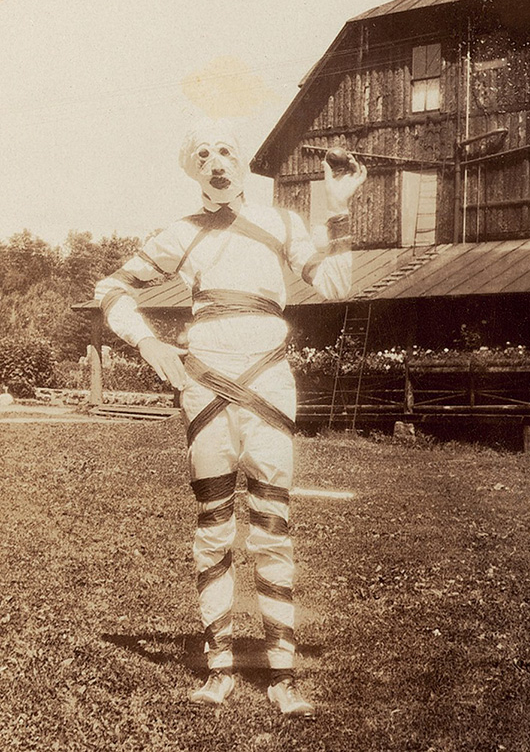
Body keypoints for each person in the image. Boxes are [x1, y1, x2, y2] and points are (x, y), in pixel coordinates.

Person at [95, 121, 366, 716]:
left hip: (268, 379)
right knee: (214, 524)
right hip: (205, 385)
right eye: (203, 154)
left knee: (273, 521)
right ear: (192, 170)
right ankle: (219, 665)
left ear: (243, 164)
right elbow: (111, 286)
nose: (217, 162)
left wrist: (336, 210)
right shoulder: (179, 234)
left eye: (227, 151)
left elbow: (337, 284)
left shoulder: (282, 221)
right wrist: (150, 345)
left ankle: (282, 673)